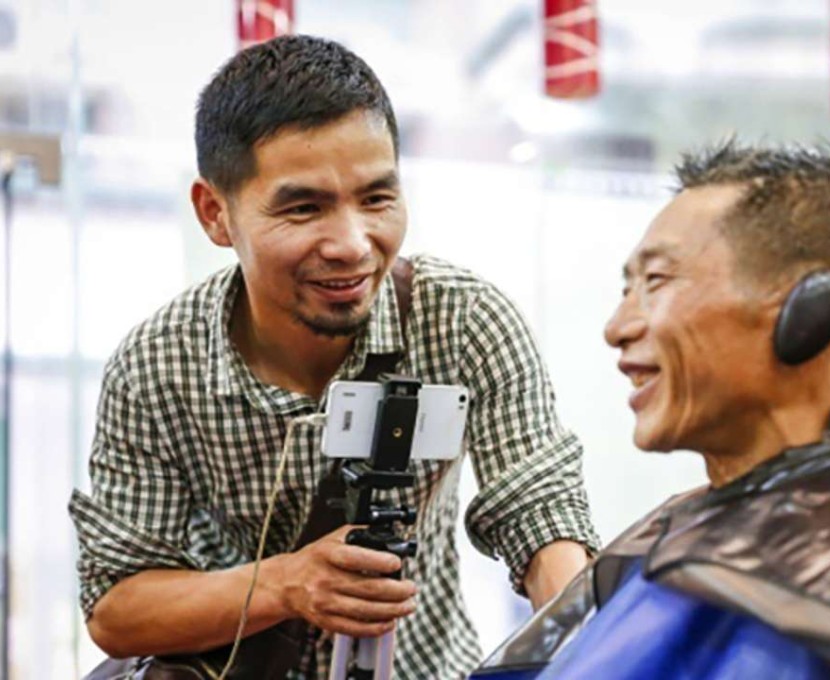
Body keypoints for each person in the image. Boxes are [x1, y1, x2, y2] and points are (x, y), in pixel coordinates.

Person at [69, 34, 598, 679]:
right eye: (303, 208)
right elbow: (116, 608)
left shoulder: (462, 320)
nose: (352, 245)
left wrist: (592, 650)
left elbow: (540, 510)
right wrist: (286, 584)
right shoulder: (156, 366)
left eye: (376, 198)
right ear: (215, 213)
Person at [471, 142, 830, 679]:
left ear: (809, 312)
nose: (618, 327)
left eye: (656, 282)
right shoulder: (660, 539)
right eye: (626, 288)